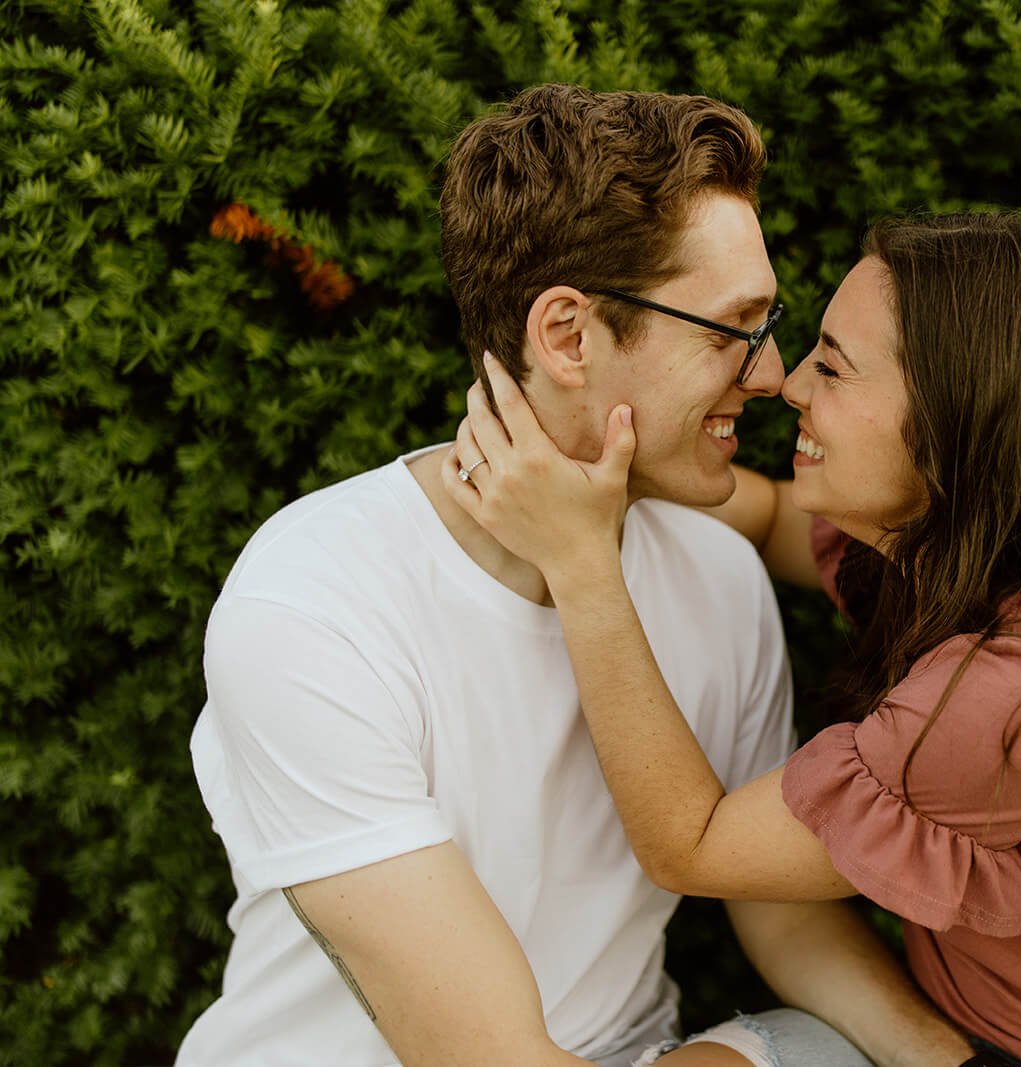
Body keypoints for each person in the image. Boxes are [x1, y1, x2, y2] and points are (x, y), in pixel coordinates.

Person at [178, 85, 976, 1067]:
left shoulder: (719, 575)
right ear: (566, 336)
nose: (770, 376)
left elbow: (784, 922)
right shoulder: (314, 598)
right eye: (733, 327)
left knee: (827, 1048)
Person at [445, 212, 1021, 1067]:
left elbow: (694, 843)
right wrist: (616, 452)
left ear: (955, 421)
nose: (788, 383)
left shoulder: (1013, 697)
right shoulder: (986, 564)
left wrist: (581, 561)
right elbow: (767, 521)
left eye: (832, 367)